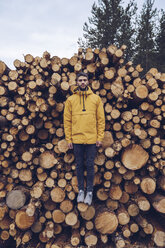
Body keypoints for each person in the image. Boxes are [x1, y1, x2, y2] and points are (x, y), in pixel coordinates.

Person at [64, 72, 105, 205]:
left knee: (90, 165)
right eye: (80, 80)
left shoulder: (96, 99)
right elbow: (67, 121)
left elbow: (101, 119)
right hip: (76, 140)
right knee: (79, 165)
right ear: (76, 82)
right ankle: (81, 190)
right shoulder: (71, 100)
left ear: (88, 82)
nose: (82, 82)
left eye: (84, 80)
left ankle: (90, 192)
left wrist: (100, 137)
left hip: (92, 139)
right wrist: (69, 139)